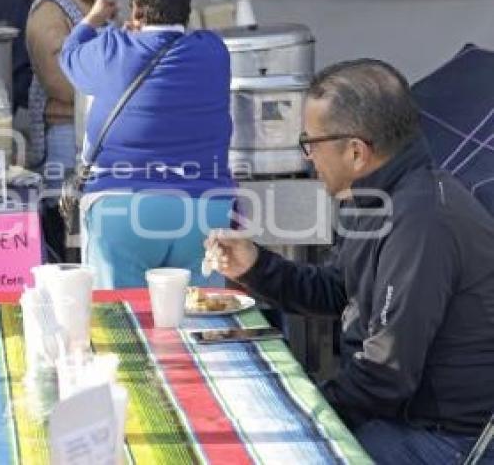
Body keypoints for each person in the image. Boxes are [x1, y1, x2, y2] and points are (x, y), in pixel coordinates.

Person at [205, 60, 494, 464]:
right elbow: (339, 290)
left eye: (311, 143)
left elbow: (386, 374)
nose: (308, 158)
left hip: (445, 438)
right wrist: (255, 266)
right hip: (397, 411)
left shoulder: (423, 221)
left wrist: (307, 416)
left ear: (356, 151)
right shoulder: (377, 197)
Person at [59, 0, 234, 288]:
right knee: (200, 324)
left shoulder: (111, 49)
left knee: (121, 326)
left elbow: (68, 57)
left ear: (136, 10)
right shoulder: (214, 51)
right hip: (204, 210)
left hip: (123, 210)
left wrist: (92, 20)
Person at [26, 0, 116, 260]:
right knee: (69, 236)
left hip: (95, 135)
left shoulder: (94, 7)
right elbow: (62, 82)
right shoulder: (50, 9)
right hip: (65, 136)